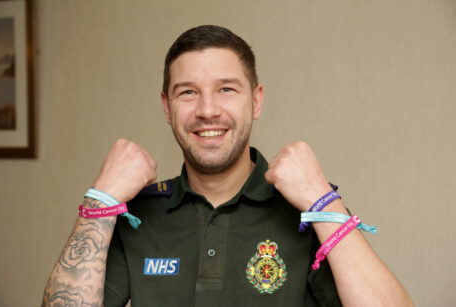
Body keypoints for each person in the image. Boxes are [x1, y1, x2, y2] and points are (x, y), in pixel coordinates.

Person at [42, 25, 413, 306]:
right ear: (166, 108)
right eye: (188, 92)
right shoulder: (136, 214)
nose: (207, 110)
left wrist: (322, 201)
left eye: (226, 89)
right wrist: (99, 200)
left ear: (256, 101)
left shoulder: (311, 211)